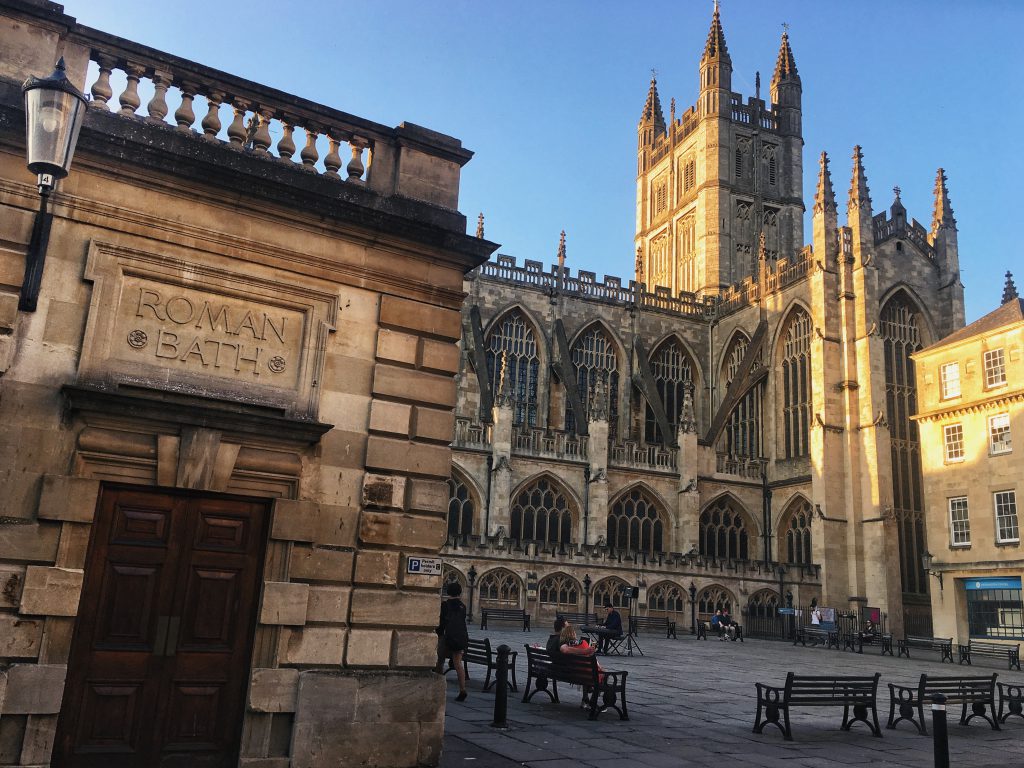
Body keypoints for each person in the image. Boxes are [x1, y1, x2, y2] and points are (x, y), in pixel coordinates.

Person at [434, 582, 469, 701]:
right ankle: (462, 689)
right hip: (459, 637)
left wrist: (438, 633)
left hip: (446, 637)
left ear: (448, 592)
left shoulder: (444, 605)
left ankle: (437, 689)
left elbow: (441, 623)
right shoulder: (462, 606)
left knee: (440, 662)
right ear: (460, 592)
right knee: (458, 664)